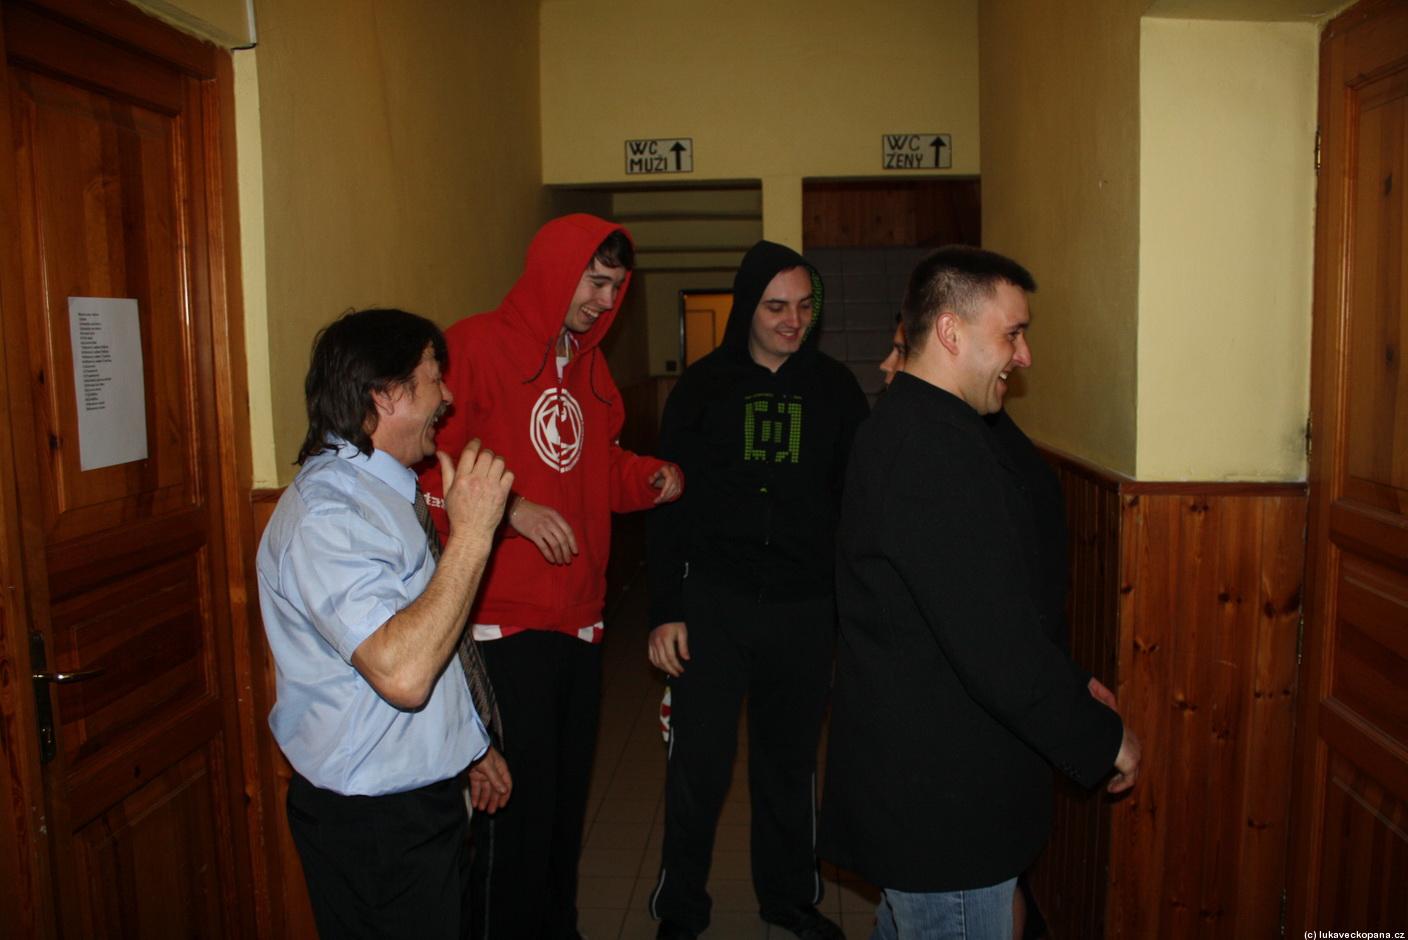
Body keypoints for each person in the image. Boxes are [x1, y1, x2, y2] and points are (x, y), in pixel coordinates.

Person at [818, 246, 1141, 940]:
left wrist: (1070, 684)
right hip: (944, 813)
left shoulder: (930, 426)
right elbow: (995, 646)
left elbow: (993, 602)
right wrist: (1103, 739)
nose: (1024, 356)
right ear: (951, 332)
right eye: (1012, 333)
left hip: (929, 795)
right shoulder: (930, 448)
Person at [419, 214, 683, 940]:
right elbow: (429, 472)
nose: (605, 301)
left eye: (616, 287)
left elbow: (597, 468)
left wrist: (648, 478)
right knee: (513, 818)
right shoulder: (474, 348)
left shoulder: (590, 368)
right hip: (501, 625)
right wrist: (511, 510)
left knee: (565, 808)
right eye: (594, 283)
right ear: (554, 272)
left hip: (581, 620)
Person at [257, 308, 514, 939]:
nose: (447, 397)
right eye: (433, 378)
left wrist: (466, 745)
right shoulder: (330, 515)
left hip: (413, 804)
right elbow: (403, 674)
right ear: (384, 394)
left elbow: (427, 626)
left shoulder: (384, 490)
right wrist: (473, 536)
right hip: (373, 825)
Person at [646, 240, 869, 940]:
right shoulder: (701, 389)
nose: (791, 320)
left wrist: (854, 610)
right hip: (715, 605)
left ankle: (789, 899)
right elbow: (666, 505)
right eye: (776, 307)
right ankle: (681, 906)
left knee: (789, 765)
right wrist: (664, 610)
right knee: (698, 767)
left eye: (803, 307)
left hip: (804, 609)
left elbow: (857, 506)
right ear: (747, 306)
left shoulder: (836, 390)